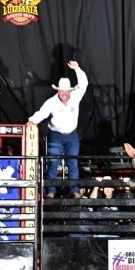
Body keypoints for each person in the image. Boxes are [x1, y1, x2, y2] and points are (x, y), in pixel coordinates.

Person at [28, 61, 88, 199]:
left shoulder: (75, 96)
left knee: (73, 162)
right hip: (56, 136)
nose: (64, 94)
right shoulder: (52, 102)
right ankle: (51, 191)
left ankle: (74, 190)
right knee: (53, 162)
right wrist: (31, 121)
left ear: (70, 91)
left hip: (72, 135)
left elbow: (84, 83)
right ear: (58, 91)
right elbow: (41, 113)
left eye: (66, 91)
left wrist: (77, 68)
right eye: (62, 91)